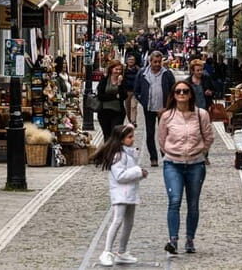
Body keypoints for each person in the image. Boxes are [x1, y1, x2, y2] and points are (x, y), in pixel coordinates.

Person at [158, 80, 214, 255]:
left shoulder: (201, 114)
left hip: (195, 164)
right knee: (174, 200)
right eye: (178, 91)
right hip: (172, 164)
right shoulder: (167, 116)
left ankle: (190, 239)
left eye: (185, 91)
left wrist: (200, 151)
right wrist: (172, 152)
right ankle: (173, 240)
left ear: (191, 94)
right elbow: (161, 139)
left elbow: (208, 136)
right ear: (173, 95)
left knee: (193, 203)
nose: (181, 94)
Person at [92, 124, 148, 266]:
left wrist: (140, 174)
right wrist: (138, 171)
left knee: (129, 223)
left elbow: (129, 174)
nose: (133, 139)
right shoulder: (118, 156)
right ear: (121, 139)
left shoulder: (128, 154)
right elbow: (120, 176)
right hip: (121, 194)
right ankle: (107, 251)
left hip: (130, 192)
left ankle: (121, 252)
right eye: (130, 137)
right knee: (117, 221)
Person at [134, 50, 175, 167]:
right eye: (155, 62)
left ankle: (165, 156)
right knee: (150, 133)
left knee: (165, 133)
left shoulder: (167, 73)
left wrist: (168, 106)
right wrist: (143, 101)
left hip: (164, 109)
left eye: (159, 62)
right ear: (150, 61)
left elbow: (173, 90)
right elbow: (137, 90)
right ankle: (153, 158)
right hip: (149, 108)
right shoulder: (143, 73)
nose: (157, 64)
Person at [97, 60, 128, 138]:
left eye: (120, 69)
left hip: (118, 112)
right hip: (104, 112)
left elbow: (124, 96)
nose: (118, 71)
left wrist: (120, 84)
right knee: (107, 135)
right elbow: (100, 96)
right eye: (116, 69)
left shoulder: (122, 80)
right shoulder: (105, 79)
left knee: (115, 135)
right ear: (111, 69)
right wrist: (115, 97)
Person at [123, 55, 141, 126]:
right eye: (129, 60)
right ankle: (130, 120)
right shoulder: (124, 69)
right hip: (127, 91)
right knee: (128, 108)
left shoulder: (138, 70)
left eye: (132, 60)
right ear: (127, 61)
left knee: (133, 106)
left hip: (135, 91)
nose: (131, 61)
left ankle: (133, 121)